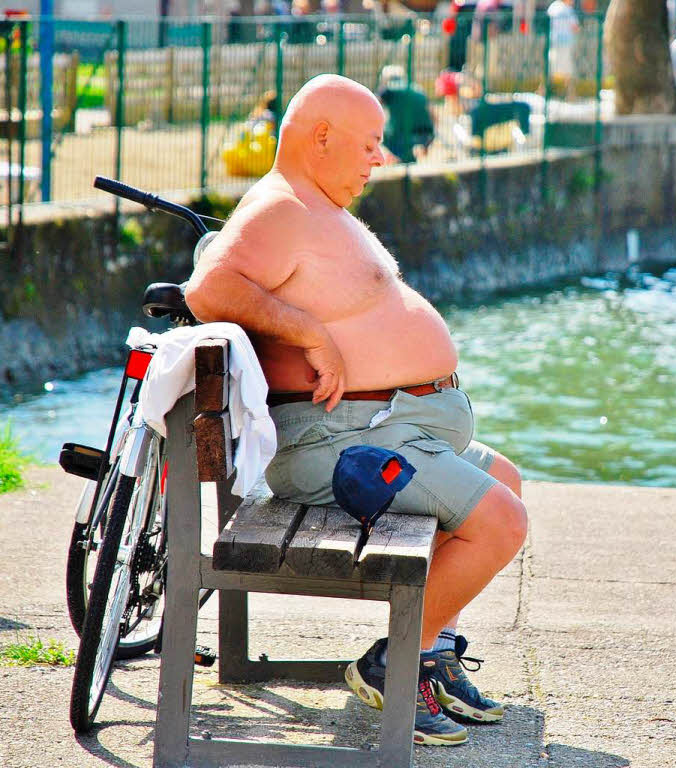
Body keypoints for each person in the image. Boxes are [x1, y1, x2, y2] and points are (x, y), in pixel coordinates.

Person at [184, 74, 528, 747]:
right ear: (321, 138)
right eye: (371, 144)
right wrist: (308, 334)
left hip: (382, 428)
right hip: (340, 444)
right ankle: (393, 663)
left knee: (506, 482)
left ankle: (429, 654)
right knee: (501, 522)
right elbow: (208, 288)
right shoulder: (279, 209)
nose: (381, 158)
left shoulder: (316, 210)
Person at [547, 0, 580, 84]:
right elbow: (575, 27)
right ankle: (570, 93)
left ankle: (543, 90)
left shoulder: (553, 6)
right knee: (567, 69)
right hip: (565, 43)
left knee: (551, 67)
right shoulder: (568, 9)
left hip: (553, 41)